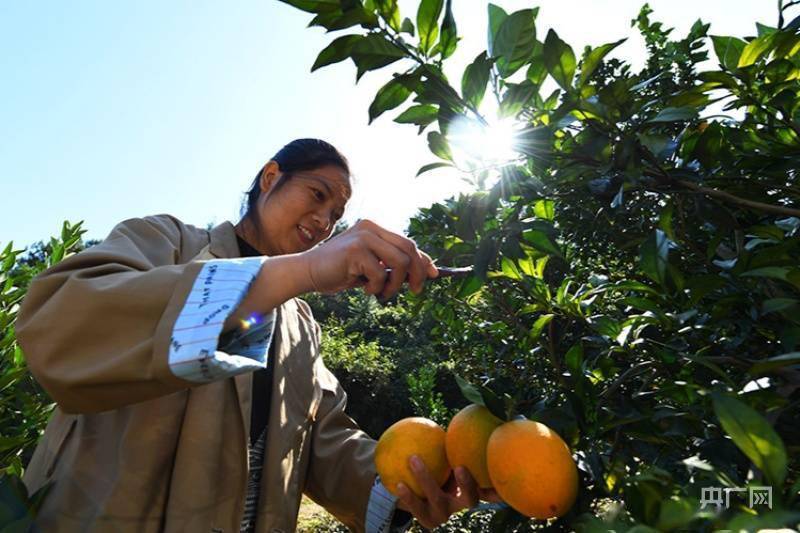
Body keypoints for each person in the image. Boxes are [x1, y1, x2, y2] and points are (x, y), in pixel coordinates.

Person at [16, 139, 500, 533]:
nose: (325, 221)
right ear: (271, 178)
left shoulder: (302, 327)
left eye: (336, 214)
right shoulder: (166, 242)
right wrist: (303, 270)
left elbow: (323, 445)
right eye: (317, 194)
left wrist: (417, 483)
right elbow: (63, 321)